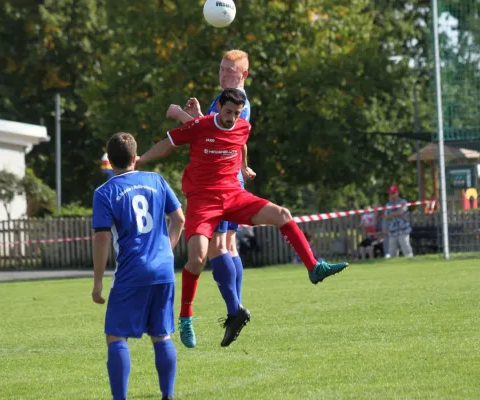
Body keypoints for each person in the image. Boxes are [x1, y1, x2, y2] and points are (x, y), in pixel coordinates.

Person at [137, 88, 349, 348]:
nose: (232, 118)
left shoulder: (242, 126)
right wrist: (141, 159)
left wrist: (243, 167)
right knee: (197, 258)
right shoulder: (200, 126)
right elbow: (168, 143)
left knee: (282, 214)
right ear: (218, 108)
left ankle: (314, 268)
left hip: (234, 195)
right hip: (203, 200)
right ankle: (185, 317)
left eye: (237, 113)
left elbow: (241, 142)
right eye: (228, 112)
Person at [92, 133, 185, 400]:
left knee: (116, 336)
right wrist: (166, 252)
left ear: (109, 161)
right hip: (164, 270)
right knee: (161, 334)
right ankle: (167, 395)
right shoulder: (156, 180)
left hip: (132, 271)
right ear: (135, 158)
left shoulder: (105, 192)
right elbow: (179, 220)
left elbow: (102, 238)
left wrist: (98, 283)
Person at [176, 49, 254, 348]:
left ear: (243, 75)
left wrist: (180, 116)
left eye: (229, 70)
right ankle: (236, 307)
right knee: (229, 246)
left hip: (220, 184)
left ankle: (235, 310)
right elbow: (210, 127)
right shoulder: (228, 98)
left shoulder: (239, 103)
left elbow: (209, 136)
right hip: (230, 180)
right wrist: (197, 115)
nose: (222, 74)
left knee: (215, 248)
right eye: (221, 68)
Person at [383, 185, 414, 258]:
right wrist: (394, 214)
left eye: (393, 193)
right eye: (390, 193)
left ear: (397, 193)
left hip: (403, 230)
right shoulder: (388, 204)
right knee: (392, 252)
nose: (392, 195)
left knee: (407, 250)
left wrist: (391, 214)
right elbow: (386, 217)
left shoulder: (403, 201)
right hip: (393, 231)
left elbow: (400, 212)